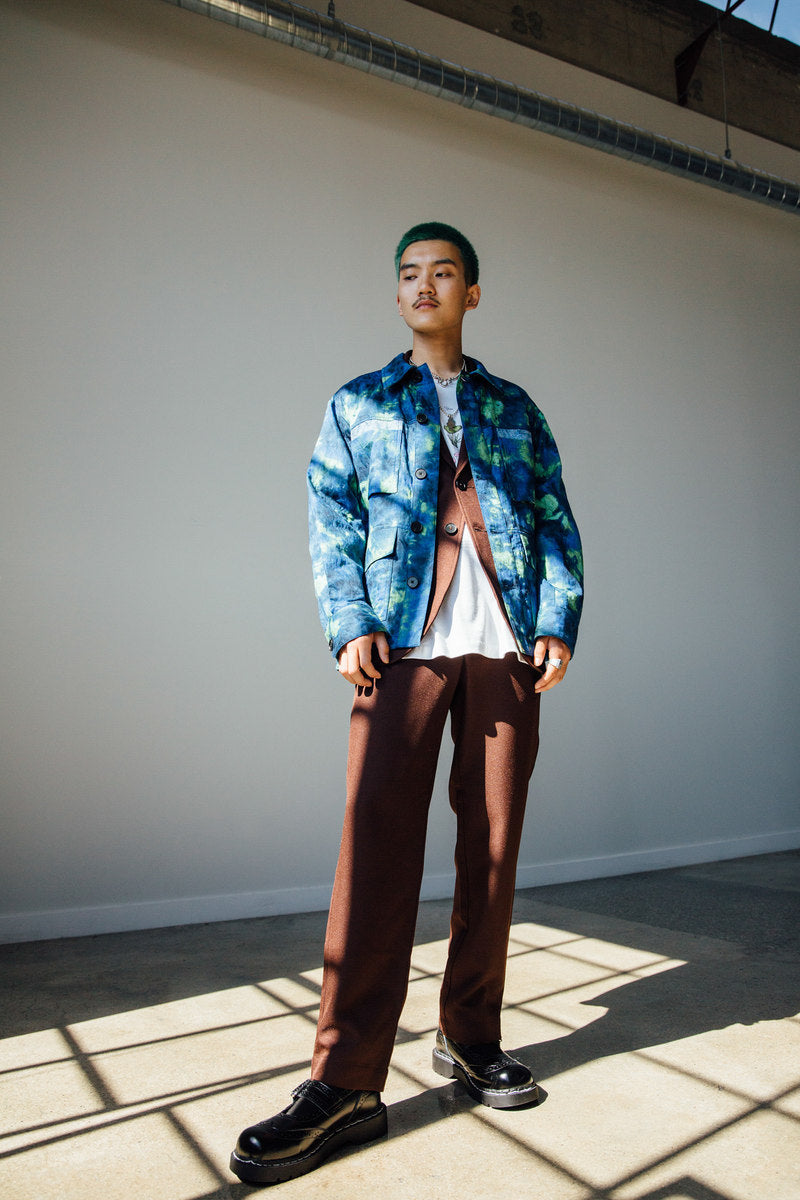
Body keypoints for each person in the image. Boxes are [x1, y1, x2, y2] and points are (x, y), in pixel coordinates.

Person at [230, 222, 583, 1185]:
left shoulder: (515, 408)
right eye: (410, 274)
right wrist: (348, 620)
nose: (425, 286)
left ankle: (470, 1035)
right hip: (402, 644)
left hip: (505, 647)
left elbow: (554, 517)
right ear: (397, 296)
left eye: (444, 272)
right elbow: (330, 513)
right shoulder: (359, 403)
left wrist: (557, 619)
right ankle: (345, 1082)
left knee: (492, 853)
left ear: (473, 293)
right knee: (376, 852)